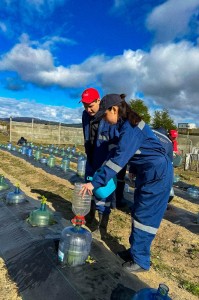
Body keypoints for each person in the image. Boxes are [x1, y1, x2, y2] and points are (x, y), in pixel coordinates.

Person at [80, 94, 173, 273]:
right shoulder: (127, 125)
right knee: (138, 211)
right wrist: (135, 169)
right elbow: (148, 149)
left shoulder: (130, 129)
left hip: (157, 175)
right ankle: (134, 252)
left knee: (145, 217)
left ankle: (141, 261)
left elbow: (117, 161)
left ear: (114, 110)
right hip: (149, 172)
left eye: (105, 116)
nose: (105, 121)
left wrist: (94, 183)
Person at [80, 88, 118, 238]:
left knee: (102, 192)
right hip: (91, 156)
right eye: (85, 106)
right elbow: (87, 135)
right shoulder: (85, 115)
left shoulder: (107, 116)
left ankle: (102, 226)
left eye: (91, 106)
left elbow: (115, 140)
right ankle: (89, 215)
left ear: (98, 101)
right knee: (88, 187)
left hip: (105, 159)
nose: (88, 109)